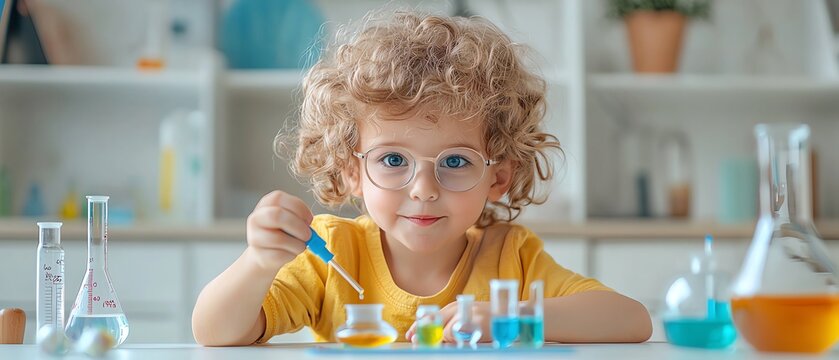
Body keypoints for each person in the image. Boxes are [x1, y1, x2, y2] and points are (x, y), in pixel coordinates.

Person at [192, 11, 652, 346]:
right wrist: (258, 261)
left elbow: (630, 321)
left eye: (455, 162)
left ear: (498, 179)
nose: (424, 189)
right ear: (353, 171)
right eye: (393, 160)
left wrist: (509, 316)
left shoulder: (511, 257)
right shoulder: (332, 257)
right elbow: (215, 333)